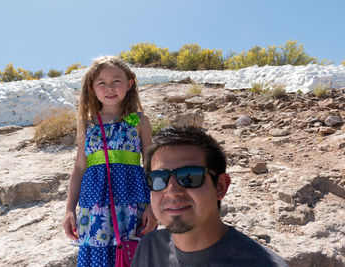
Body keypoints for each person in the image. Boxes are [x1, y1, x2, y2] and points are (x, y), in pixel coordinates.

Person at [132, 126, 288, 266]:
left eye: (189, 177)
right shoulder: (149, 249)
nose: (171, 191)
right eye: (159, 179)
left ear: (220, 187)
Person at [63, 56, 157, 267]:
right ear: (91, 87)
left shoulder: (139, 120)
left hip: (134, 202)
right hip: (94, 205)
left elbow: (151, 164)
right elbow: (79, 167)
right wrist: (69, 209)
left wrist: (153, 205)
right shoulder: (88, 124)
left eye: (116, 81)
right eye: (101, 83)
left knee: (136, 255)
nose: (110, 88)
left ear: (130, 83)